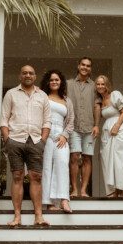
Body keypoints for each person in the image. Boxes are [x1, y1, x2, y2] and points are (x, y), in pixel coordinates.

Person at [0, 65, 51, 227]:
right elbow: (4, 118)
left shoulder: (42, 96)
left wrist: (43, 140)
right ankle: (17, 217)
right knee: (17, 177)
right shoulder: (11, 94)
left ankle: (38, 216)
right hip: (15, 140)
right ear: (20, 76)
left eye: (30, 73)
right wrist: (7, 139)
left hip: (35, 141)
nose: (27, 75)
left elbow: (47, 121)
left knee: (36, 177)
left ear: (35, 77)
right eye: (24, 73)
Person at [39, 70, 75, 213]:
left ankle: (64, 200)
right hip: (45, 135)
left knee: (62, 165)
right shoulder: (42, 97)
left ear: (61, 82)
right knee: (47, 168)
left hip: (61, 137)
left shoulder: (67, 100)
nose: (54, 82)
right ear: (48, 82)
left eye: (57, 80)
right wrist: (42, 135)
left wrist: (65, 135)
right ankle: (48, 202)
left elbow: (71, 120)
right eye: (52, 80)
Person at [95, 75, 123, 197]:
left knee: (120, 160)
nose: (100, 86)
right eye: (98, 84)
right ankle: (113, 191)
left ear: (107, 85)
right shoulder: (100, 101)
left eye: (103, 84)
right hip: (107, 132)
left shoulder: (115, 94)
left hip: (119, 130)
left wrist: (117, 125)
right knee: (107, 160)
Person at [66, 56, 100, 198]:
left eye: (88, 65)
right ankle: (74, 189)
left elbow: (97, 106)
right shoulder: (68, 84)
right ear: (78, 66)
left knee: (87, 158)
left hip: (89, 127)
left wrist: (97, 125)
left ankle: (84, 190)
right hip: (73, 126)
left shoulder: (95, 86)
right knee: (74, 157)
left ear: (90, 68)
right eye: (83, 65)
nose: (85, 67)